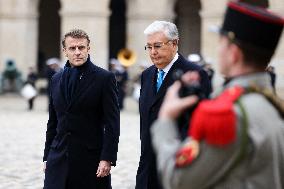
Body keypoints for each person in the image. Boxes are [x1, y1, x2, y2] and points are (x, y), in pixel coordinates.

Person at [150, 2, 284, 189]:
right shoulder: (274, 105)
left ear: (234, 54)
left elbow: (178, 180)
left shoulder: (228, 114)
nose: (218, 49)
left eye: (221, 42)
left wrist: (166, 119)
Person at [136, 21, 211, 189]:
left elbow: (196, 125)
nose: (153, 52)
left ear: (175, 43)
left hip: (177, 166)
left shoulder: (194, 74)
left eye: (157, 46)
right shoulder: (147, 75)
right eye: (149, 47)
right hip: (147, 169)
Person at [43, 29, 120, 189]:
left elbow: (112, 123)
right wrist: (47, 157)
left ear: (88, 49)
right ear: (65, 51)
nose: (77, 52)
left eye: (81, 48)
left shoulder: (104, 78)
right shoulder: (56, 79)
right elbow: (53, 122)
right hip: (58, 158)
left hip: (90, 160)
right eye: (72, 48)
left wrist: (107, 158)